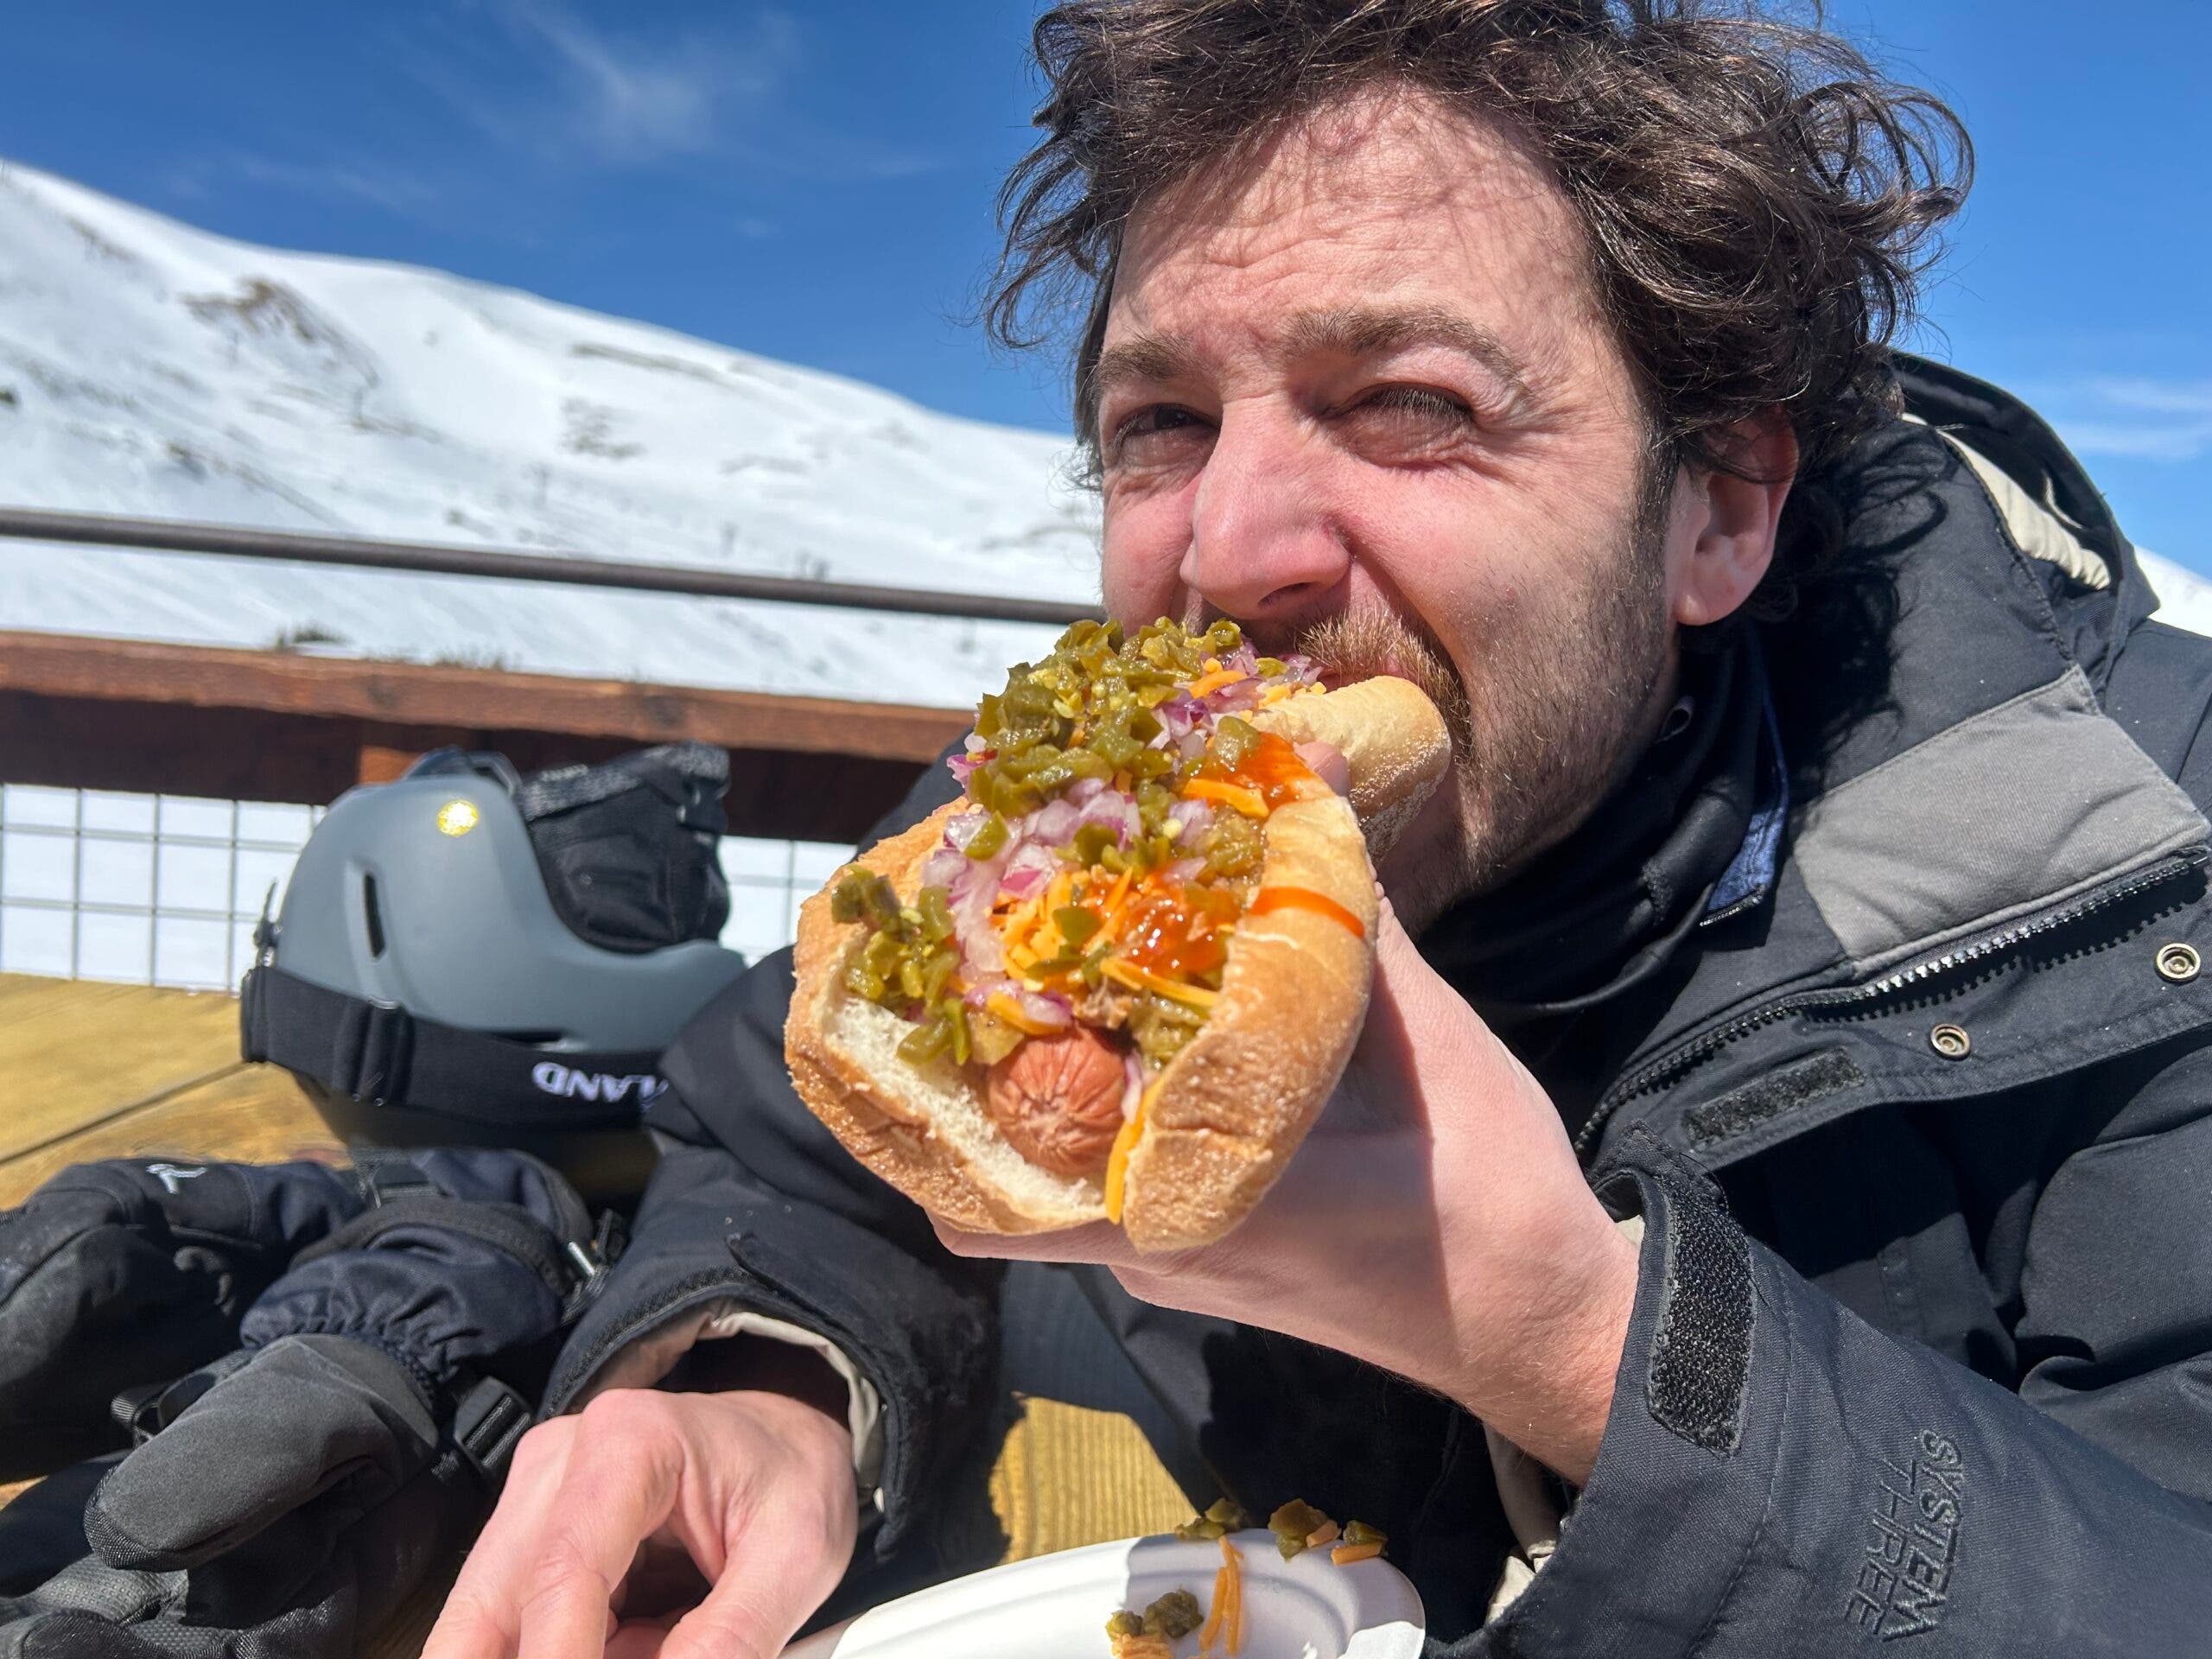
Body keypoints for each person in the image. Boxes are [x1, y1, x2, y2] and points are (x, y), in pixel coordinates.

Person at [423, 4, 2212, 1656]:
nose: (1226, 547)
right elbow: (792, 1143)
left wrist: (1583, 1345)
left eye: (1409, 403)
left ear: (1717, 516)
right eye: (1160, 424)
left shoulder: (2133, 856)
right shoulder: (1054, 851)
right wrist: (771, 1393)